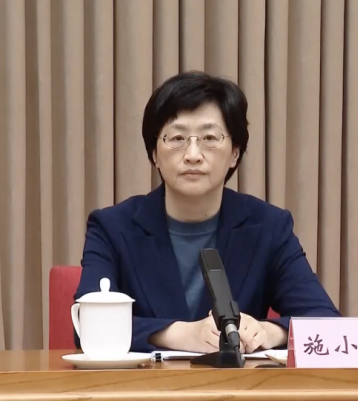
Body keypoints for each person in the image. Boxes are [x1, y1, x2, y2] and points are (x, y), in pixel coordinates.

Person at [74, 71, 341, 354]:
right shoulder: (112, 227)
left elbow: (326, 322)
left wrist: (268, 331)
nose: (193, 155)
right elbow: (87, 326)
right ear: (154, 153)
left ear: (234, 153)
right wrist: (180, 334)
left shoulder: (268, 226)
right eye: (177, 138)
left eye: (210, 138)